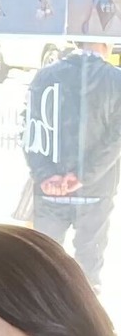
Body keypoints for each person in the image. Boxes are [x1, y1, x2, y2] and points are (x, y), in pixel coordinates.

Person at [24, 40, 121, 287]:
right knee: (88, 270)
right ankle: (84, 310)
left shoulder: (45, 76)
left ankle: (42, 309)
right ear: (106, 43)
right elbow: (116, 139)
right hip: (95, 191)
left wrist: (45, 175)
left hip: (50, 191)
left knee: (42, 266)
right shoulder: (116, 81)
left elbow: (29, 130)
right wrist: (82, 176)